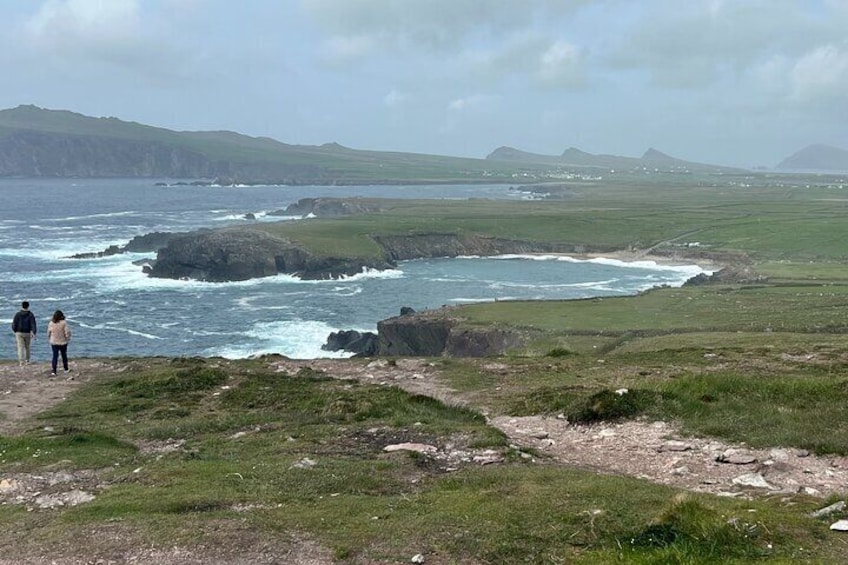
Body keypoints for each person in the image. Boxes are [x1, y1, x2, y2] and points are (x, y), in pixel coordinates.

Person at [11, 301, 37, 367]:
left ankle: (21, 362)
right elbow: (33, 324)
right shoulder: (30, 314)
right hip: (27, 332)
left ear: (22, 306)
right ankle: (27, 360)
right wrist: (33, 332)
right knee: (27, 347)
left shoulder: (17, 314)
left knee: (20, 347)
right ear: (28, 306)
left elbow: (14, 323)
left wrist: (15, 330)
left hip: (19, 332)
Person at [47, 310, 72, 377]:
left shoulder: (51, 323)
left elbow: (49, 332)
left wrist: (49, 338)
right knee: (64, 355)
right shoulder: (64, 323)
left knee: (55, 356)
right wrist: (68, 338)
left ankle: (54, 371)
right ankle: (66, 369)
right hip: (63, 342)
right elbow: (67, 332)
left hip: (54, 342)